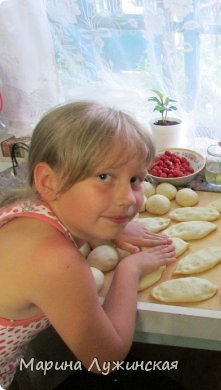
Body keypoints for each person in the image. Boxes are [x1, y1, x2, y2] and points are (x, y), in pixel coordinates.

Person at [0, 101, 177, 388]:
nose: (129, 199)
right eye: (104, 177)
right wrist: (129, 269)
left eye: (135, 179)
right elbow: (104, 361)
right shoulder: (53, 260)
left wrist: (107, 229)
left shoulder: (28, 208)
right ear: (48, 181)